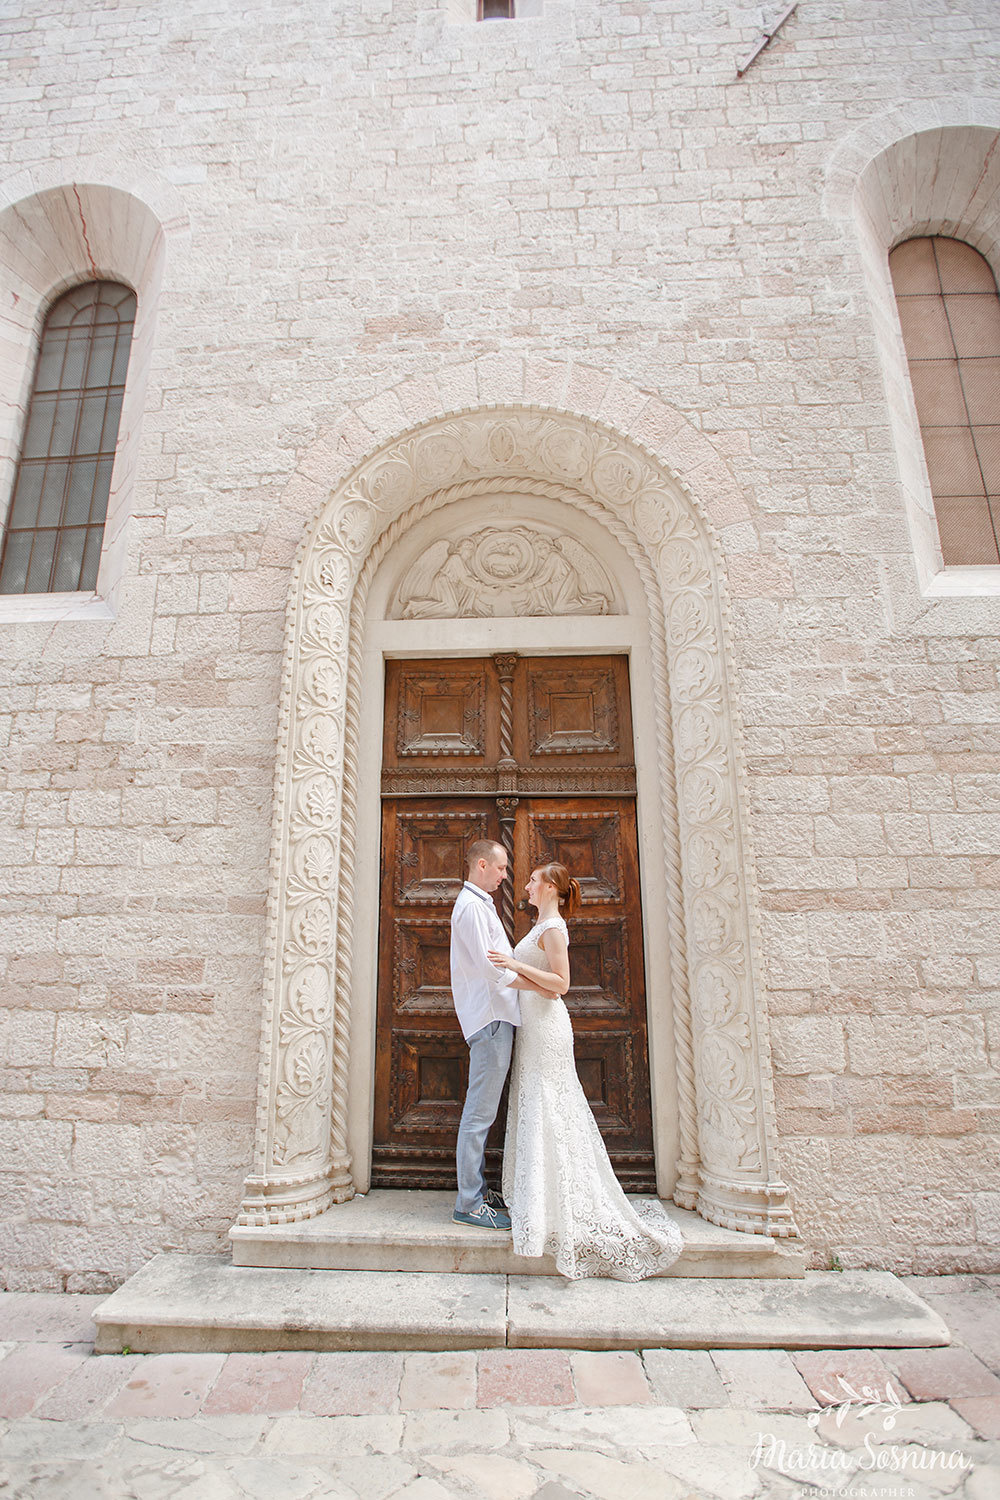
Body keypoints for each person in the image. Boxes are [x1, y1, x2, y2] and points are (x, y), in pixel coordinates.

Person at [487, 862, 683, 1280]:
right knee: (540, 1105)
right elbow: (540, 985)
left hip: (549, 1028)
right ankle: (543, 1201)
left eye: (533, 880)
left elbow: (561, 984)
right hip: (535, 1025)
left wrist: (514, 966)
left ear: (551, 888)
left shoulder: (554, 927)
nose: (526, 884)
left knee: (553, 1106)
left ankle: (565, 1204)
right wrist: (507, 978)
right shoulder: (541, 924)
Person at [450, 839, 521, 1230]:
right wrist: (534, 983)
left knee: (485, 1111)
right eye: (501, 868)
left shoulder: (481, 905)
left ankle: (477, 1189)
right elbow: (488, 967)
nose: (505, 875)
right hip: (491, 1017)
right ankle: (469, 1202)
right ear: (482, 864)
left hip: (497, 1015)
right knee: (479, 1113)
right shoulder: (472, 908)